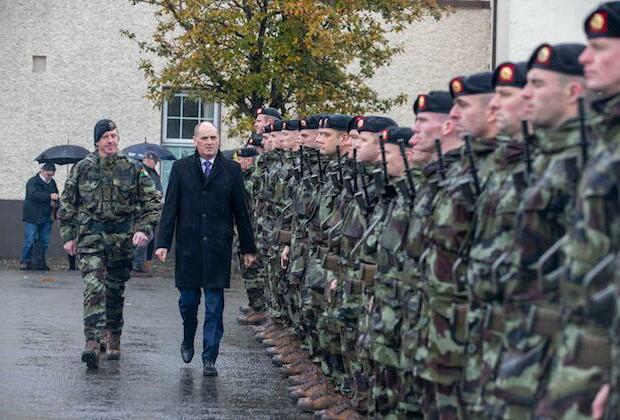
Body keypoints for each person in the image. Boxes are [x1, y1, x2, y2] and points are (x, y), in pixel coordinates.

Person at [155, 121, 257, 377]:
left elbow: (241, 212)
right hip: (189, 248)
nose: (210, 142)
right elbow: (171, 208)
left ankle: (210, 356)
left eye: (214, 137)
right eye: (204, 138)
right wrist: (163, 243)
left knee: (214, 307)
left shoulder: (232, 170)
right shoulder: (181, 168)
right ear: (195, 141)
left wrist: (248, 248)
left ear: (219, 140)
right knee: (188, 303)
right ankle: (188, 337)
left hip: (217, 248)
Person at [58, 119, 161, 368]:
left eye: (114, 136)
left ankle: (113, 336)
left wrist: (143, 229)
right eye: (106, 137)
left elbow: (152, 202)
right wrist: (68, 236)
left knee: (114, 291)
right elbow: (67, 204)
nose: (111, 141)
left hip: (121, 240)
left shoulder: (132, 168)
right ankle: (92, 343)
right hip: (91, 238)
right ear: (97, 141)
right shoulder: (83, 168)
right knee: (94, 289)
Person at [20, 162, 59, 271]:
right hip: (33, 216)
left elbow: (56, 196)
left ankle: (39, 261)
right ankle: (24, 261)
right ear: (42, 171)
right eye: (48, 174)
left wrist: (55, 203)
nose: (50, 177)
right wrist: (49, 196)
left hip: (46, 216)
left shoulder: (52, 183)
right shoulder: (32, 182)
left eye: (52, 175)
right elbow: (33, 195)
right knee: (30, 240)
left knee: (44, 241)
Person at [132, 151, 163, 274]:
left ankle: (144, 262)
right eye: (149, 160)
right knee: (145, 236)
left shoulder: (154, 173)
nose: (151, 162)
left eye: (153, 161)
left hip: (151, 210)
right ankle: (137, 263)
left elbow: (158, 191)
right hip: (141, 211)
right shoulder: (141, 171)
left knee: (149, 237)